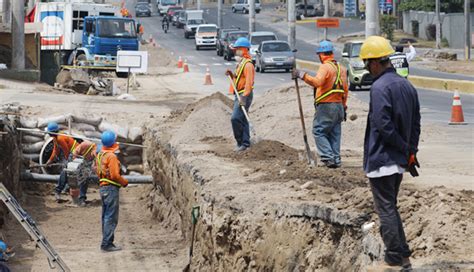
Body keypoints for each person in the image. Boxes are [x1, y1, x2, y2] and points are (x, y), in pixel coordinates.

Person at [360, 36, 421, 270]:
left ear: (376, 63)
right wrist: (410, 151)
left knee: (385, 209)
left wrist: (405, 149)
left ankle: (394, 256)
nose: (368, 69)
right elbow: (416, 123)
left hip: (383, 158)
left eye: (368, 64)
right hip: (399, 159)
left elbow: (383, 126)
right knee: (391, 206)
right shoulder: (406, 85)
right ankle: (403, 255)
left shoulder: (379, 87)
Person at [292, 40, 349, 168]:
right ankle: (336, 159)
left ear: (322, 54)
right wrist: (344, 107)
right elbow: (345, 91)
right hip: (339, 105)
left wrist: (301, 75)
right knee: (335, 132)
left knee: (319, 131)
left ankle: (328, 158)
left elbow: (317, 82)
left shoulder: (325, 67)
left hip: (326, 105)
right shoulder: (342, 69)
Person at [95, 131, 128, 252]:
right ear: (113, 142)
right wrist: (124, 182)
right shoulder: (112, 156)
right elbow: (114, 175)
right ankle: (107, 244)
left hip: (103, 187)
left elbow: (97, 171)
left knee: (105, 216)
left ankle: (106, 241)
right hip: (111, 188)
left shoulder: (100, 155)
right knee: (110, 217)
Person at [225, 37, 255, 152]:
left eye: (237, 50)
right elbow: (239, 79)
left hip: (244, 95)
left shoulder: (248, 65)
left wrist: (244, 97)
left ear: (244, 50)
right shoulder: (241, 63)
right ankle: (245, 143)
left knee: (235, 118)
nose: (235, 52)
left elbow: (249, 83)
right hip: (239, 94)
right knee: (242, 118)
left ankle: (240, 142)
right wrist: (231, 75)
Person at [45, 122, 79, 202]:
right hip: (72, 153)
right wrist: (49, 161)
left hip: (75, 153)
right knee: (68, 172)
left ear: (52, 132)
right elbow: (55, 150)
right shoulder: (55, 138)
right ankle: (65, 188)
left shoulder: (60, 138)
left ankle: (58, 190)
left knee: (65, 171)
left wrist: (68, 162)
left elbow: (66, 150)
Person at [72, 140, 100, 207]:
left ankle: (82, 198)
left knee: (85, 178)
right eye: (95, 153)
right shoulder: (86, 144)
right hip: (75, 158)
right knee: (69, 175)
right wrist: (75, 163)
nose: (95, 155)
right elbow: (75, 152)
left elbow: (94, 165)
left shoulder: (96, 155)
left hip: (85, 162)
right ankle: (58, 190)